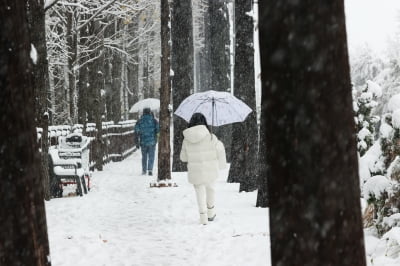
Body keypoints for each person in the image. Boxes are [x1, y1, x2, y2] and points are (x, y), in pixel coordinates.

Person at [180, 113, 227, 225]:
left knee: (199, 193)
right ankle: (211, 213)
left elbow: (183, 158)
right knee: (211, 190)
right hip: (210, 170)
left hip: (195, 172)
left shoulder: (186, 140)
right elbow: (219, 151)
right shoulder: (211, 137)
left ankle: (203, 218)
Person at [134, 108, 160, 176]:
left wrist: (137, 141)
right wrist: (157, 138)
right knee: (151, 156)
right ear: (150, 112)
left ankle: (144, 170)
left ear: (143, 112)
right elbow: (158, 131)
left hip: (143, 142)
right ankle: (150, 169)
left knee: (144, 156)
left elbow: (136, 131)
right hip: (152, 142)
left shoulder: (139, 121)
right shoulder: (154, 121)